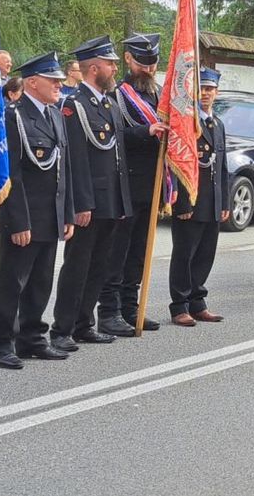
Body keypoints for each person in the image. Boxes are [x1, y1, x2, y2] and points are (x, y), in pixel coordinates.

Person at [0, 52, 74, 369]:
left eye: (60, 81)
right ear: (32, 82)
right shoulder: (14, 116)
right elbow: (12, 173)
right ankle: (0, 343)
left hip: (50, 214)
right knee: (12, 282)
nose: (59, 86)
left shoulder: (54, 115)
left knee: (40, 281)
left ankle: (32, 337)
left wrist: (68, 213)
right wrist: (18, 220)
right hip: (23, 217)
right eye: (53, 81)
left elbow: (64, 169)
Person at [51, 36, 132, 348]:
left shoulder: (108, 103)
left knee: (100, 265)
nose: (114, 68)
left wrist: (122, 200)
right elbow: (76, 161)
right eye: (110, 63)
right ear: (94, 67)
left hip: (111, 199)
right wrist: (81, 203)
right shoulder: (75, 106)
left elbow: (117, 157)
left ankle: (85, 323)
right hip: (90, 201)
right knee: (77, 265)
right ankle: (62, 329)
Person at [100, 33, 167, 334]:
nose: (148, 70)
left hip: (151, 187)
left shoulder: (159, 95)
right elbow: (111, 137)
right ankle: (109, 312)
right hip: (125, 185)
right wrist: (146, 131)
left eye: (152, 64)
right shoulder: (117, 95)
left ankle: (131, 308)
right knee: (118, 252)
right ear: (128, 59)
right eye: (142, 64)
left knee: (139, 252)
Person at [168, 68, 230, 325]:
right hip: (191, 202)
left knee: (205, 254)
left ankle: (198, 301)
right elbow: (178, 164)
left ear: (216, 92)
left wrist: (224, 201)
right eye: (202, 89)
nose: (206, 94)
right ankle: (179, 305)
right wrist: (182, 201)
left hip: (212, 201)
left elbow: (222, 166)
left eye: (210, 89)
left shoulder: (218, 124)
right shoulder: (186, 123)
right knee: (185, 254)